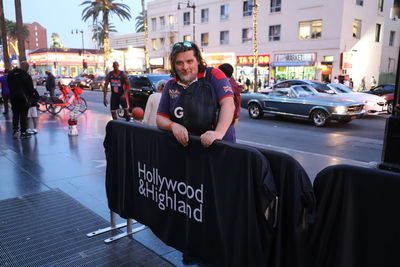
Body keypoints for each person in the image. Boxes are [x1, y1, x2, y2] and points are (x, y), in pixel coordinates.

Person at [156, 41, 235, 148]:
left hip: (219, 147)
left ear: (198, 61)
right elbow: (160, 118)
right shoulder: (170, 85)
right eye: (179, 63)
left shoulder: (213, 75)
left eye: (190, 61)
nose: (185, 67)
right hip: (188, 149)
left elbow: (228, 104)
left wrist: (218, 133)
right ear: (174, 65)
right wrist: (173, 126)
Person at [7, 61, 36, 138]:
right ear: (26, 67)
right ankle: (23, 132)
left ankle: (15, 130)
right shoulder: (26, 75)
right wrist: (31, 97)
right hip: (24, 98)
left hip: (13, 97)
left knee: (15, 114)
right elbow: (31, 89)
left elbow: (9, 85)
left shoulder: (11, 74)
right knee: (23, 115)